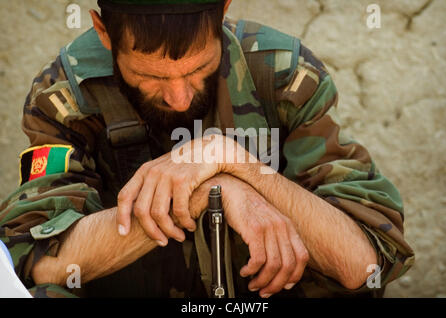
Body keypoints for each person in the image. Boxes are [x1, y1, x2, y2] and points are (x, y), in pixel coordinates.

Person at [0, 0, 414, 298]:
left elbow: (363, 266)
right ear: (103, 32)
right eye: (149, 75)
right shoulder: (68, 95)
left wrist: (235, 161)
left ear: (224, 12)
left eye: (199, 68)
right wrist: (216, 191)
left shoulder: (280, 71)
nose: (179, 97)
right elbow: (40, 263)